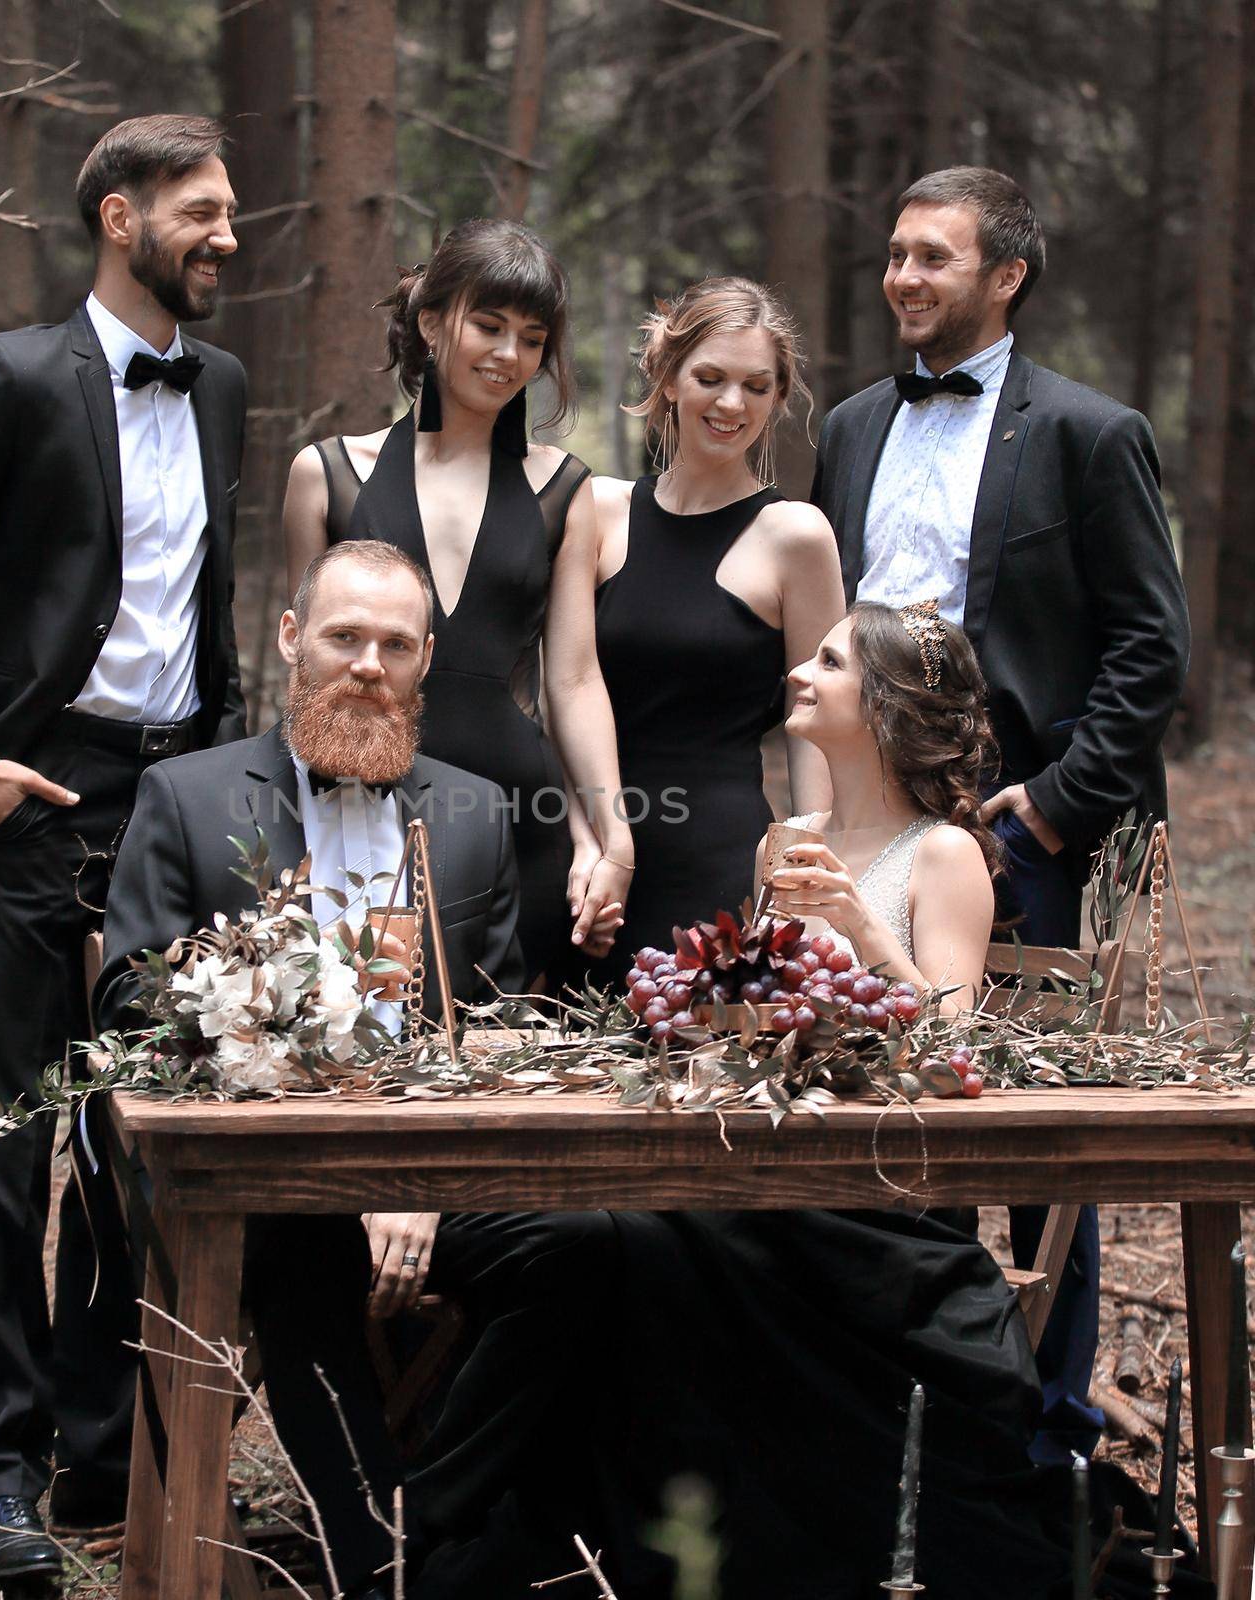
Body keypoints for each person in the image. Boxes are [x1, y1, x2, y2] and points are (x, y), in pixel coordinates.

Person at [0, 115, 248, 1576]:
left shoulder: (217, 385)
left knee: (138, 1139)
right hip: (37, 794)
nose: (225, 236)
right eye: (201, 211)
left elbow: (200, 608)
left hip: (175, 807)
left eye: (230, 212)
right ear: (118, 214)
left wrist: (218, 781)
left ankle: (103, 1449)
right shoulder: (15, 377)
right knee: (6, 1146)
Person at [97, 541, 621, 1600]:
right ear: (294, 640)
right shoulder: (187, 796)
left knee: (593, 1246)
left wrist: (418, 1178)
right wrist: (333, 1132)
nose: (367, 664)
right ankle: (372, 1570)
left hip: (440, 1173)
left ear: (426, 659)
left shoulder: (473, 814)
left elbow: (500, 1024)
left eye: (393, 643)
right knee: (299, 1254)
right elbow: (127, 1007)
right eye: (344, 636)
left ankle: (433, 1527)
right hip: (260, 1176)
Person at [810, 166, 1191, 1462]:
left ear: (1007, 277)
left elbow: (1151, 647)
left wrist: (1055, 808)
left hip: (1028, 838)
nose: (905, 277)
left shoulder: (1092, 434)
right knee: (880, 1102)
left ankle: (1048, 1433)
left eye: (935, 257)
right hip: (877, 828)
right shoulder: (854, 426)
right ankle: (907, 1405)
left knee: (1033, 1141)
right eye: (896, 255)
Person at [606, 602, 1067, 1600]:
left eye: (828, 662)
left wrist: (861, 924)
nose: (800, 673)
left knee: (670, 1244)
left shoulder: (943, 854)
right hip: (768, 1163)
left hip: (884, 1197)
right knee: (628, 1234)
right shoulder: (785, 840)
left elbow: (952, 1050)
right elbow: (752, 1011)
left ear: (886, 704)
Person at [283, 218, 631, 984]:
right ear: (433, 323)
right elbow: (303, 671)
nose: (510, 356)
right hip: (361, 807)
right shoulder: (328, 473)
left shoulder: (563, 488)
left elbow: (572, 680)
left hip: (521, 819)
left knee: (517, 1062)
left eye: (533, 338)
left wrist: (608, 836)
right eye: (490, 325)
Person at [585, 277, 845, 982]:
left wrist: (806, 879)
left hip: (717, 857)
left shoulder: (795, 536)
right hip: (591, 853)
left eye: (757, 387)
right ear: (668, 379)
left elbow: (818, 718)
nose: (732, 404)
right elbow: (564, 687)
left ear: (779, 398)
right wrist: (588, 838)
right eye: (710, 378)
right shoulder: (599, 512)